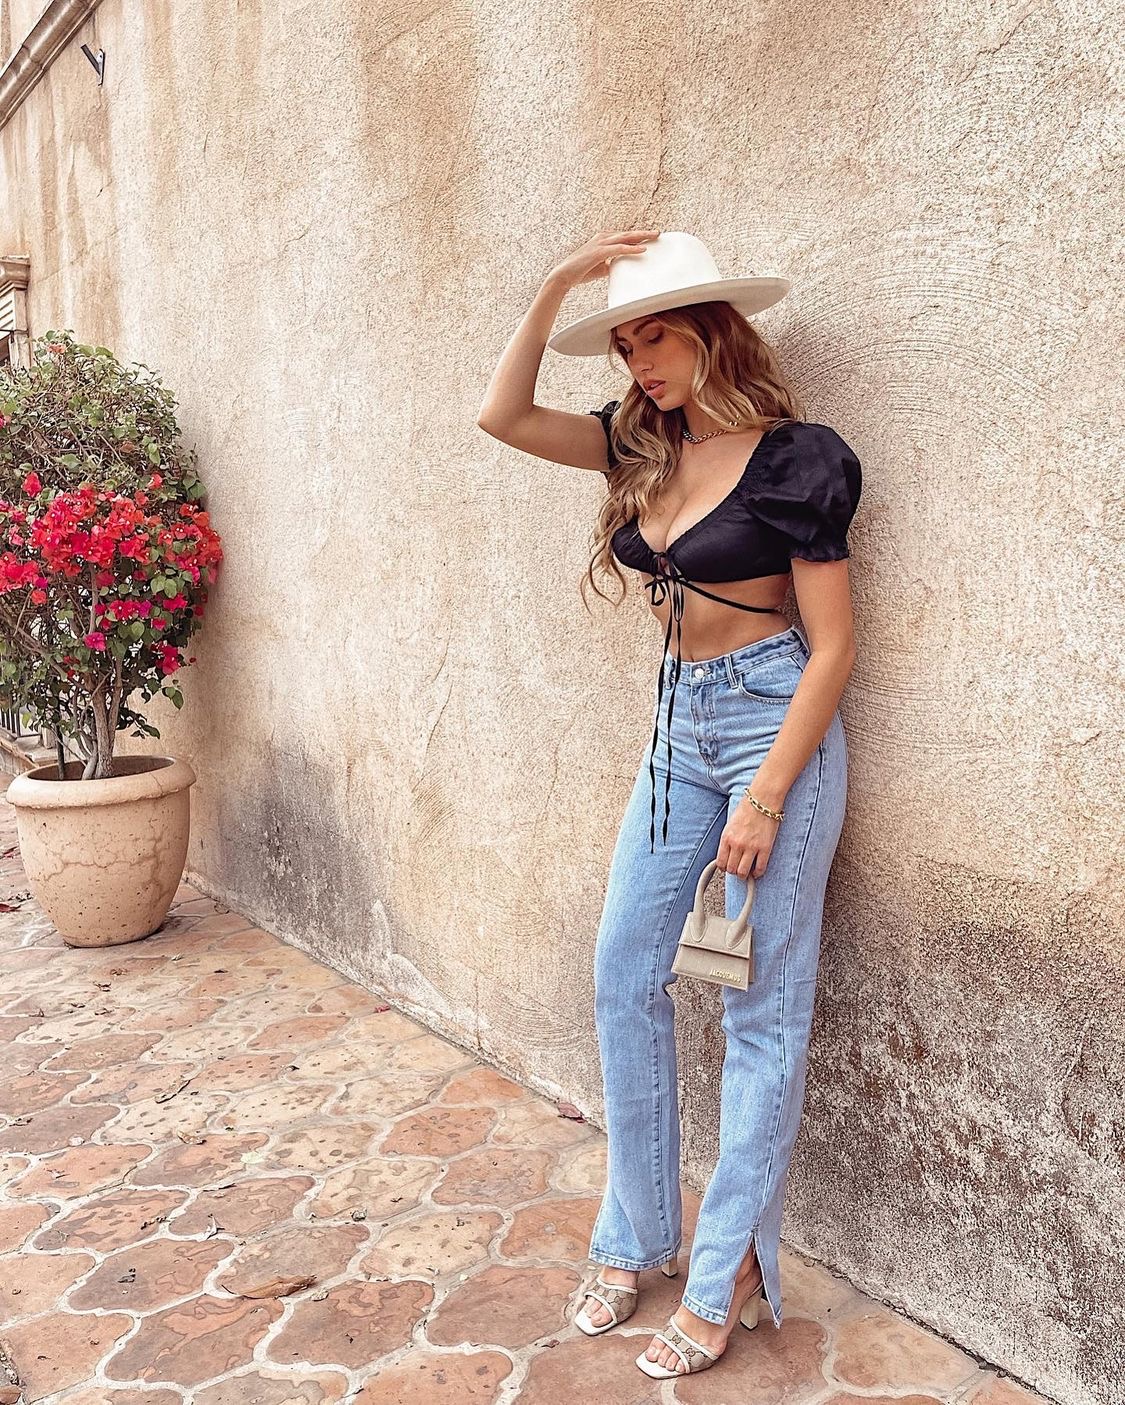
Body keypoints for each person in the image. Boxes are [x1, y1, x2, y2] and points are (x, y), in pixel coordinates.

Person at [476, 229, 861, 1380]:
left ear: (712, 333)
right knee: (623, 972)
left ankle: (726, 1268)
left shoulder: (796, 460)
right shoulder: (634, 442)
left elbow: (835, 647)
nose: (639, 362)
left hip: (772, 723)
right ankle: (637, 1232)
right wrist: (557, 284)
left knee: (760, 1011)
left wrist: (768, 797)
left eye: (655, 338)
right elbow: (502, 415)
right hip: (677, 729)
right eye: (625, 344)